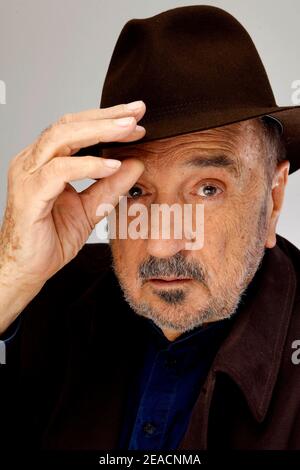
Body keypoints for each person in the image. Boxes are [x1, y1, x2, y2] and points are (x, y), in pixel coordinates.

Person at [1, 5, 300, 451]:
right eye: (136, 192)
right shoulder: (47, 296)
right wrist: (9, 277)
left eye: (207, 189)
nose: (161, 243)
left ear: (272, 199)